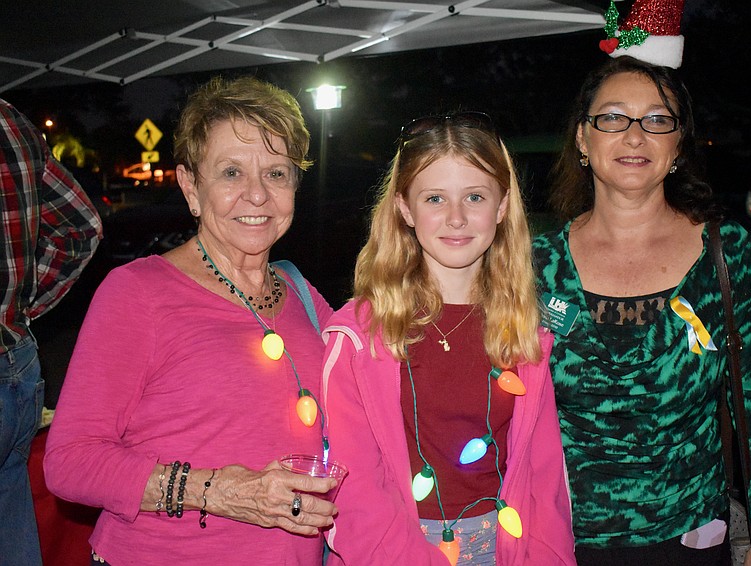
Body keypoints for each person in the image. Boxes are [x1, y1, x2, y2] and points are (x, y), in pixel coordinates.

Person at [43, 76, 339, 565]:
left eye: (277, 173)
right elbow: (70, 462)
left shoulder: (303, 296)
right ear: (190, 186)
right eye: (230, 173)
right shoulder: (137, 292)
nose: (257, 195)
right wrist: (219, 490)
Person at [532, 55, 751, 566]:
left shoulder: (726, 252)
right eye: (612, 117)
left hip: (691, 539)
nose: (634, 136)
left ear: (677, 146)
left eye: (657, 120)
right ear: (583, 140)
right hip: (557, 539)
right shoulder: (535, 264)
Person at [321, 112, 576, 565]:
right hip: (397, 549)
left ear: (501, 207)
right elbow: (355, 490)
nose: (456, 218)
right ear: (404, 208)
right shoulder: (360, 337)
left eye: (474, 196)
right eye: (434, 198)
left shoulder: (522, 331)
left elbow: (543, 481)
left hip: (502, 545)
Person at [0, 98, 102, 566]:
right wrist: (18, 307)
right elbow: (82, 227)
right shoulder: (10, 121)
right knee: (11, 508)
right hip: (14, 363)